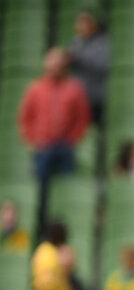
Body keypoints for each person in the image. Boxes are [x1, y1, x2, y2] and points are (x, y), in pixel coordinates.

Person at [17, 48, 91, 239]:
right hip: (43, 149)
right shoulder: (36, 89)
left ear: (64, 66)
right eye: (51, 64)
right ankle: (42, 233)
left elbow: (83, 119)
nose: (55, 68)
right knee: (41, 192)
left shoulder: (74, 88)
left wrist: (72, 140)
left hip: (65, 148)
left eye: (58, 64)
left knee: (67, 192)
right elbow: (25, 119)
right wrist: (32, 141)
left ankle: (65, 232)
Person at [67, 9, 111, 129]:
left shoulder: (103, 42)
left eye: (85, 22)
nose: (81, 26)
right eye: (79, 23)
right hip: (77, 96)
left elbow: (102, 65)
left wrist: (79, 59)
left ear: (93, 24)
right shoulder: (75, 41)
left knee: (94, 132)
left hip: (95, 98)